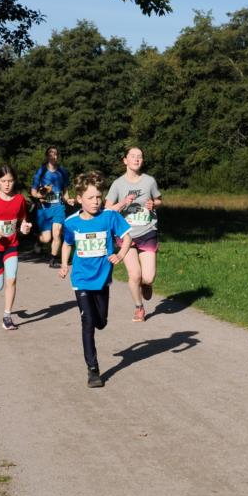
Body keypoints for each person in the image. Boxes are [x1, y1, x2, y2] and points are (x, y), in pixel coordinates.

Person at [59, 171, 132, 387]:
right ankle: (93, 370)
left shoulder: (109, 216)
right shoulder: (71, 223)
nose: (96, 202)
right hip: (81, 279)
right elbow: (67, 244)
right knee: (88, 322)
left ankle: (100, 320)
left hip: (102, 280)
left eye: (98, 197)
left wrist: (120, 254)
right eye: (91, 198)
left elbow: (127, 237)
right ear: (79, 198)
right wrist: (64, 264)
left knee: (101, 321)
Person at [105, 147, 163, 322]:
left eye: (140, 157)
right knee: (134, 275)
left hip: (147, 231)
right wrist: (122, 203)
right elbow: (107, 209)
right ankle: (139, 308)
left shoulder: (149, 181)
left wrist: (154, 204)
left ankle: (146, 285)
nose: (137, 159)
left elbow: (159, 200)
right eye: (133, 156)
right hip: (126, 234)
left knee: (148, 277)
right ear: (125, 160)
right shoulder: (118, 184)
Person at [0, 165, 32, 330]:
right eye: (3, 181)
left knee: (12, 279)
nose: (7, 184)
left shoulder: (20, 200)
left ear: (14, 181)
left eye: (10, 181)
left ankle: (7, 316)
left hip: (11, 244)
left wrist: (25, 227)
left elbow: (23, 219)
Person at [31, 145, 75, 268]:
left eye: (55, 153)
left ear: (58, 156)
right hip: (44, 209)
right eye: (50, 153)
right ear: (47, 156)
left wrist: (68, 200)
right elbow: (33, 192)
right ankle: (39, 241)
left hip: (58, 207)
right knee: (46, 238)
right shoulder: (41, 171)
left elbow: (65, 190)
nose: (53, 156)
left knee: (57, 233)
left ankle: (53, 260)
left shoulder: (62, 171)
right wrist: (40, 196)